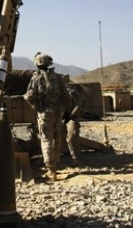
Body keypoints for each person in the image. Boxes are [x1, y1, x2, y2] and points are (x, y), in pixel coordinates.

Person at [23, 52, 68, 182]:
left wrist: (34, 105)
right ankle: (56, 164)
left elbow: (29, 96)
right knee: (57, 137)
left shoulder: (35, 79)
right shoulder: (58, 77)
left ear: (37, 64)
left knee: (46, 139)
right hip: (57, 112)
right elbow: (66, 96)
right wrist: (65, 110)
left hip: (45, 113)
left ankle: (51, 170)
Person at [65, 78, 87, 166]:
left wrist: (72, 115)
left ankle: (76, 159)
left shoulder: (73, 94)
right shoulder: (60, 94)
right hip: (62, 118)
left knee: (72, 139)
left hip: (72, 119)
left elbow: (79, 104)